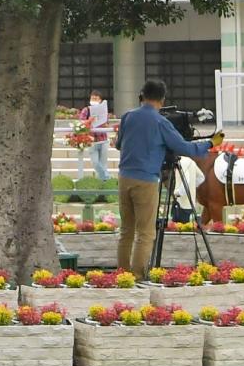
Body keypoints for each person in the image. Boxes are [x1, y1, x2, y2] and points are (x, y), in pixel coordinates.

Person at [114, 79, 206, 272]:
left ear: (141, 96)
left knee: (126, 231)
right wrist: (210, 143)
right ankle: (137, 276)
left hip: (124, 179)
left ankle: (121, 275)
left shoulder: (128, 116)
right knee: (146, 233)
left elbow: (118, 144)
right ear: (162, 100)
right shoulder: (161, 122)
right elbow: (184, 148)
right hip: (146, 181)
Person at [81, 90, 111, 182]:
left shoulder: (103, 111)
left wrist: (103, 123)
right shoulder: (86, 110)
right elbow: (81, 123)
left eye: (96, 98)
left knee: (103, 163)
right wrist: (89, 121)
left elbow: (107, 124)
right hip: (91, 140)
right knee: (95, 162)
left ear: (100, 100)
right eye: (92, 98)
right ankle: (107, 177)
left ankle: (103, 183)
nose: (93, 99)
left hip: (103, 140)